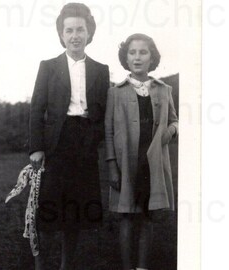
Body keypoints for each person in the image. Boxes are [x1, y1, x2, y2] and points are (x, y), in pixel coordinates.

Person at [29, 3, 109, 270]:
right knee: (48, 205)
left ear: (89, 33)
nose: (75, 35)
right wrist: (37, 147)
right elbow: (37, 108)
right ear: (61, 35)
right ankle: (41, 264)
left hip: (85, 143)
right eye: (69, 30)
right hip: (56, 143)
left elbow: (102, 110)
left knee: (76, 209)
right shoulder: (48, 66)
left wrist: (94, 136)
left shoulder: (100, 69)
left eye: (80, 30)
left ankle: (66, 265)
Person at [104, 33, 178, 270]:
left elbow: (175, 121)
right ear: (125, 57)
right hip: (127, 163)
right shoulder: (115, 92)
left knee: (148, 217)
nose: (137, 58)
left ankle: (142, 267)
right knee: (127, 216)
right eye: (132, 53)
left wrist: (169, 133)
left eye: (143, 52)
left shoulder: (164, 89)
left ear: (151, 57)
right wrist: (112, 165)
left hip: (152, 163)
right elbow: (108, 132)